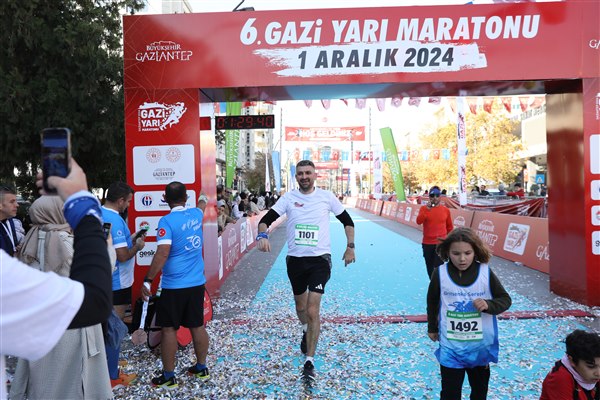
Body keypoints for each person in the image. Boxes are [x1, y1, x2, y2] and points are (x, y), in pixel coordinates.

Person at [0, 159, 112, 400]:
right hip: (72, 321)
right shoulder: (65, 240)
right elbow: (99, 282)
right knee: (73, 384)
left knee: (44, 382)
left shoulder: (29, 238)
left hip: (39, 330)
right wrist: (103, 243)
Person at [256, 160, 356, 381]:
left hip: (320, 260)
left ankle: (309, 360)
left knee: (312, 310)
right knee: (300, 307)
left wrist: (350, 246)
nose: (304, 177)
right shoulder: (288, 198)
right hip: (295, 261)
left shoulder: (326, 197)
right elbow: (265, 220)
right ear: (297, 177)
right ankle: (305, 329)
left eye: (308, 173)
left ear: (315, 175)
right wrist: (262, 235)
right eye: (300, 173)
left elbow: (348, 221)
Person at [427, 227, 512, 400]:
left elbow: (505, 299)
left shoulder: (485, 272)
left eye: (467, 253)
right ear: (447, 252)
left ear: (476, 251)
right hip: (451, 346)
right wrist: (432, 327)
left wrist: (489, 305)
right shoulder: (439, 273)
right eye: (456, 253)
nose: (462, 259)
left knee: (479, 392)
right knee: (450, 393)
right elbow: (432, 301)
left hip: (479, 348)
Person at [141, 182, 211, 389]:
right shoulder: (196, 214)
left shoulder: (166, 221)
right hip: (196, 283)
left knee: (169, 329)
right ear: (186, 198)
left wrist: (148, 280)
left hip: (174, 286)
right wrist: (203, 195)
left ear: (164, 199)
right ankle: (201, 368)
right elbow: (202, 203)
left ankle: (169, 376)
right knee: (197, 325)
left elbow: (162, 253)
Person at [101, 182, 145, 387]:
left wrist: (131, 238)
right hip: (117, 282)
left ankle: (109, 364)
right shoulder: (116, 221)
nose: (128, 205)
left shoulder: (98, 213)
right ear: (120, 201)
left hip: (103, 279)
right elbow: (123, 256)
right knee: (114, 328)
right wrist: (137, 246)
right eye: (128, 202)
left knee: (107, 327)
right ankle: (112, 376)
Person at [540, 329, 600, 399]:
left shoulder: (592, 374)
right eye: (591, 366)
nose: (598, 373)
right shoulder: (560, 379)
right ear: (572, 361)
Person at [416, 185, 454, 279]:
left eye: (437, 195)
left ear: (440, 196)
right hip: (427, 243)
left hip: (441, 243)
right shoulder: (424, 209)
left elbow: (449, 227)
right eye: (432, 195)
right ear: (429, 197)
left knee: (439, 267)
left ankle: (439, 284)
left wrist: (449, 241)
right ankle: (433, 283)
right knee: (429, 267)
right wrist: (427, 210)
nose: (435, 198)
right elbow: (418, 221)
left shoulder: (445, 210)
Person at [0, 185, 20, 256]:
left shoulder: (9, 222)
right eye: (12, 202)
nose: (17, 205)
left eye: (16, 201)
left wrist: (15, 249)